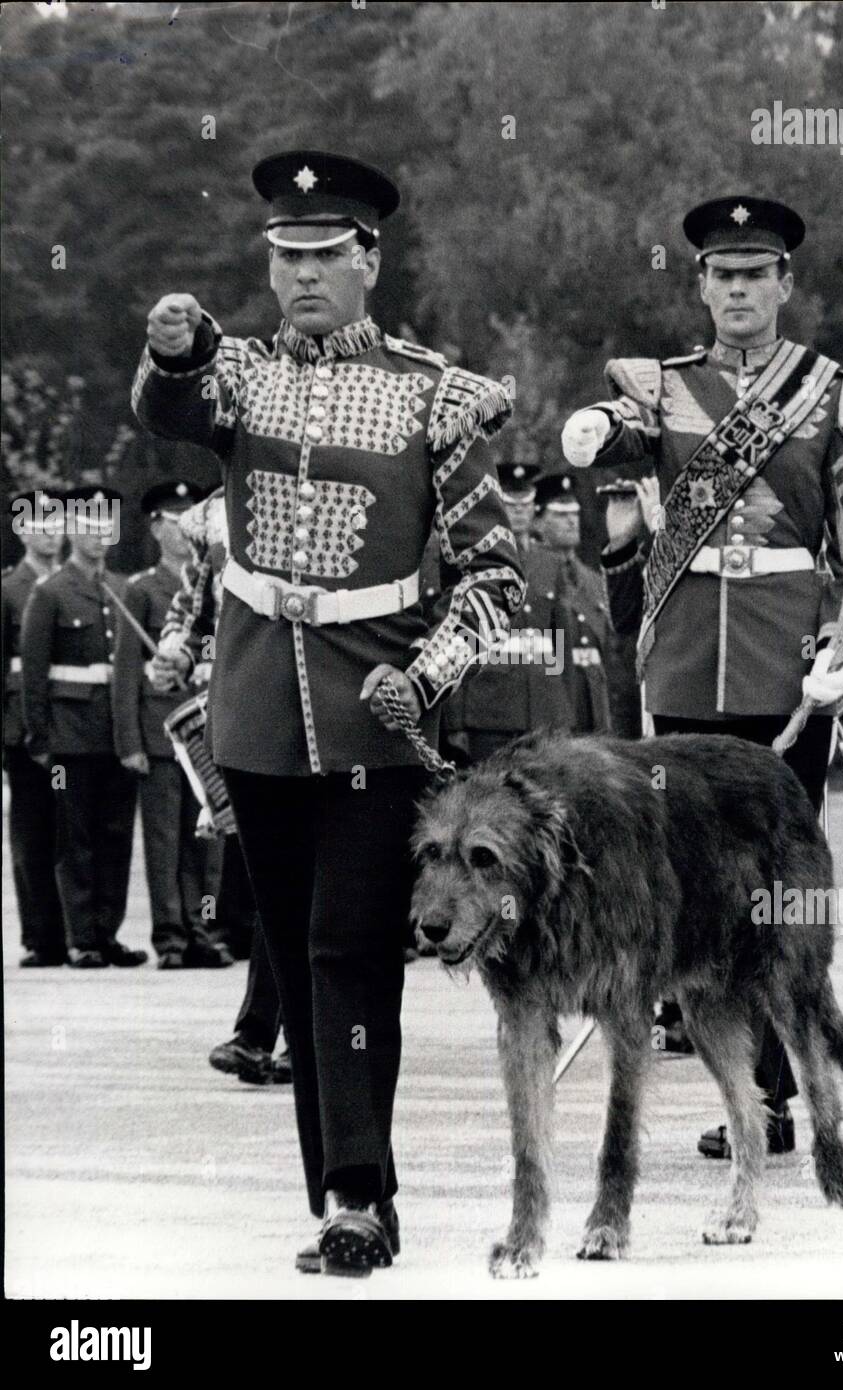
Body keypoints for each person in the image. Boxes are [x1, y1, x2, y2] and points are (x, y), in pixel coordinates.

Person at [133, 149, 523, 1275]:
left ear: (368, 261)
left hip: (369, 721)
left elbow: (493, 580)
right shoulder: (241, 375)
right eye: (284, 257)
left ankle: (355, 1193)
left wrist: (428, 673)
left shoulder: (431, 393)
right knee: (298, 963)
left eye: (322, 257)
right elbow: (174, 404)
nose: (300, 275)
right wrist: (171, 350)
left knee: (350, 950)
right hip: (255, 713)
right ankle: (351, 1192)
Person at [562, 195, 843, 1158]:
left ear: (785, 285)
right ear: (699, 285)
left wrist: (841, 648)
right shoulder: (657, 387)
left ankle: (782, 1090)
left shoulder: (832, 395)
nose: (738, 291)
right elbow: (612, 452)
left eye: (757, 275)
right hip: (687, 661)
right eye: (722, 275)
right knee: (693, 876)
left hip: (787, 663)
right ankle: (732, 1073)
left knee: (779, 886)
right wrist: (597, 429)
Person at [150, 483, 290, 1082]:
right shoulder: (211, 515)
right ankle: (260, 1035)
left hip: (316, 713)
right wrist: (174, 652)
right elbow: (191, 605)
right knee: (272, 881)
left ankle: (294, 1039)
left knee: (304, 887)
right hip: (239, 716)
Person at [20, 486, 146, 968]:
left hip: (116, 734)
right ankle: (82, 939)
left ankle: (107, 933)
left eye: (105, 527)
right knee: (74, 840)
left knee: (116, 835)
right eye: (89, 526)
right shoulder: (49, 592)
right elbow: (34, 674)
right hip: (69, 738)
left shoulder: (120, 587)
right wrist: (40, 738)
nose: (98, 537)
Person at [112, 479, 230, 969]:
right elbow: (124, 673)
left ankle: (202, 928)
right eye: (175, 520)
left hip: (211, 728)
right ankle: (170, 936)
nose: (186, 529)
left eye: (191, 517)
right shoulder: (142, 590)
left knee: (208, 841)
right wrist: (129, 742)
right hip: (163, 734)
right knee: (163, 842)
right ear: (156, 527)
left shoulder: (221, 581)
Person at [442, 462, 577, 763]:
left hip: (543, 709)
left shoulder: (550, 564)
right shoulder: (474, 560)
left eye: (526, 505)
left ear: (534, 509)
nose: (519, 512)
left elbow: (560, 642)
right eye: (511, 504)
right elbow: (461, 638)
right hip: (488, 710)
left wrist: (562, 706)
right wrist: (456, 719)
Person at [3, 490, 67, 965]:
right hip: (21, 728)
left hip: (72, 725)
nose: (50, 532)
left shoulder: (80, 585)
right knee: (33, 833)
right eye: (39, 523)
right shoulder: (9, 590)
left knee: (72, 832)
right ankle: (41, 937)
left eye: (57, 522)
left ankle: (78, 932)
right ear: (20, 530)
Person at [533, 471, 612, 733]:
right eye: (560, 514)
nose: (571, 521)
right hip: (555, 693)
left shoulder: (593, 579)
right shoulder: (533, 576)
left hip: (595, 696)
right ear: (537, 522)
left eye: (574, 514)